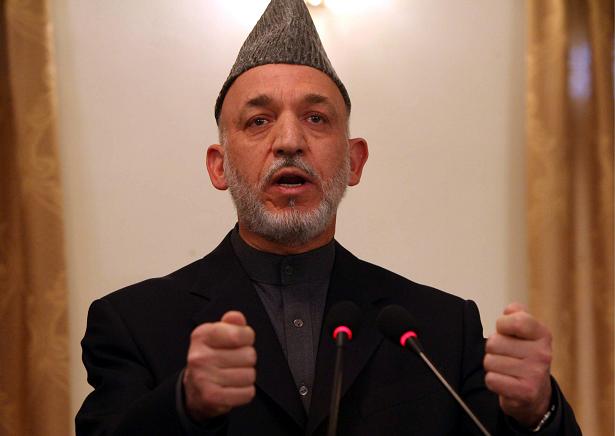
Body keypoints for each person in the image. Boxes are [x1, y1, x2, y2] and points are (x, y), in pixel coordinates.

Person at [76, 0, 581, 434]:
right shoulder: (134, 324)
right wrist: (185, 404)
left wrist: (537, 411)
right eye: (258, 120)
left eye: (316, 118)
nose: (290, 141)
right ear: (219, 166)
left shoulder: (441, 332)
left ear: (353, 162)